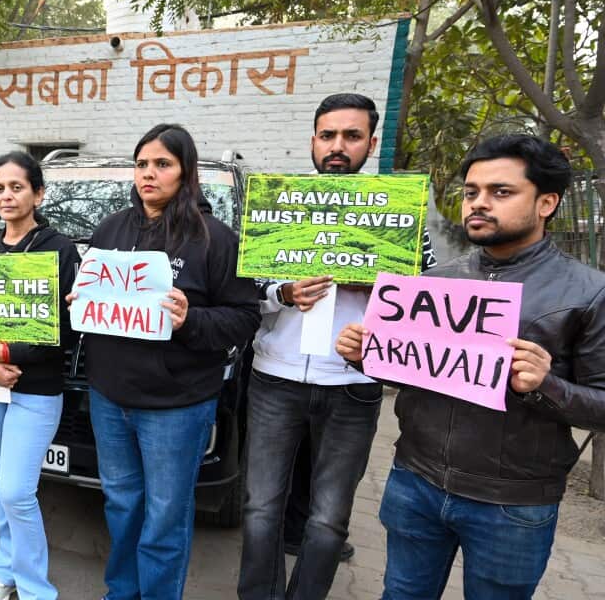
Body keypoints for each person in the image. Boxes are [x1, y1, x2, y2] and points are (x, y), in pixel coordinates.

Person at [336, 134, 605, 599]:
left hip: (512, 503)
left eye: (501, 192)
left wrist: (546, 385)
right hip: (414, 479)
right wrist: (368, 358)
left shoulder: (588, 293)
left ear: (546, 202)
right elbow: (410, 373)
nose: (478, 203)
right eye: (471, 192)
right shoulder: (435, 282)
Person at [238, 93, 436, 600]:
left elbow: (432, 303)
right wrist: (281, 292)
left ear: (371, 143)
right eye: (328, 135)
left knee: (328, 519)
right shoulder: (276, 205)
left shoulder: (402, 218)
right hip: (274, 381)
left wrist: (383, 292)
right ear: (313, 141)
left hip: (354, 388)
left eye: (351, 136)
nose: (337, 147)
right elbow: (246, 290)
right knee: (260, 508)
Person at [74, 123, 260, 599]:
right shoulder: (110, 227)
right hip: (109, 398)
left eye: (162, 164)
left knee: (164, 517)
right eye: (142, 164)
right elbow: (94, 301)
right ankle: (121, 592)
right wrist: (80, 298)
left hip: (176, 408)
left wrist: (189, 320)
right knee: (121, 506)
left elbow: (243, 318)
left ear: (185, 171)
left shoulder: (214, 239)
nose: (149, 174)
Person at [0, 152, 79, 600]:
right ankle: (5, 567)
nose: (7, 195)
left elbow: (65, 331)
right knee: (3, 483)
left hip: (39, 392)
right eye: (0, 188)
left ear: (38, 193)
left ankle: (35, 588)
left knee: (15, 491)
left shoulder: (59, 249)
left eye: (17, 187)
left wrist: (9, 350)